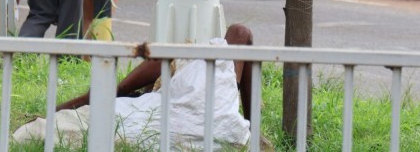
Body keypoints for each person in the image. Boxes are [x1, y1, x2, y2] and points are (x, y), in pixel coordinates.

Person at [13, 24, 254, 149]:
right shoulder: (166, 91)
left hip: (206, 114)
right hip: (219, 124)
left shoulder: (183, 74)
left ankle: (108, 93)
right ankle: (254, 122)